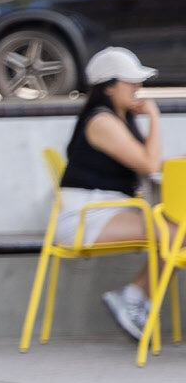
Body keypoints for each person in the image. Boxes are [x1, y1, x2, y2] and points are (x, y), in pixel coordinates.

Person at [61, 46, 165, 338]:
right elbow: (149, 163)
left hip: (106, 210)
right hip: (87, 216)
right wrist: (155, 116)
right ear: (107, 87)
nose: (138, 88)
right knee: (177, 234)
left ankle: (134, 297)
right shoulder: (102, 122)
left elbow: (147, 162)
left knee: (177, 232)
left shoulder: (117, 120)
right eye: (130, 82)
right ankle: (133, 297)